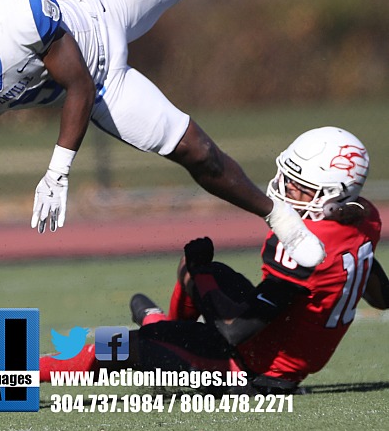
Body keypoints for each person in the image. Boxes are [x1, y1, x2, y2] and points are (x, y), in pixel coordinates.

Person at [0, 0, 324, 267]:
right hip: (107, 89)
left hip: (99, 18)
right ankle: (279, 217)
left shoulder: (19, 15)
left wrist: (57, 172)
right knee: (197, 152)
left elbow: (75, 82)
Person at [39, 127, 388, 394]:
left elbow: (235, 329)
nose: (283, 188)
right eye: (287, 177)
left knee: (116, 347)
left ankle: (15, 370)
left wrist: (201, 272)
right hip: (274, 350)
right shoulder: (363, 219)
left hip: (250, 369)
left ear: (331, 194)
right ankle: (167, 329)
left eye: (298, 186)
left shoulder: (306, 245)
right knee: (199, 272)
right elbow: (381, 296)